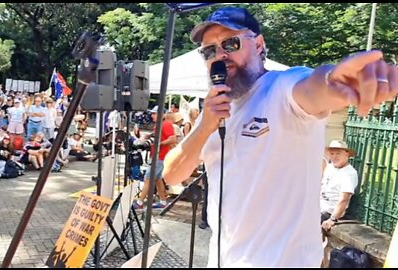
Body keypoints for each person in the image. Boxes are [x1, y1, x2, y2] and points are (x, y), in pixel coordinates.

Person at [162, 6, 398, 268]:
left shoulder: (282, 87)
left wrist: (339, 81)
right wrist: (205, 125)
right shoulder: (213, 110)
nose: (221, 55)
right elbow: (172, 175)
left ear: (260, 45)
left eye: (231, 42)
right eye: (210, 50)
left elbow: (314, 88)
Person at [134, 105, 176, 209]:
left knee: (148, 178)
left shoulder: (166, 125)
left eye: (154, 113)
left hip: (160, 156)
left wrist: (158, 143)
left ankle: (139, 202)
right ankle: (163, 201)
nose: (152, 115)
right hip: (158, 156)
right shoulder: (160, 125)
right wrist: (151, 136)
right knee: (157, 179)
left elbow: (173, 139)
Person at [320, 140, 358, 231]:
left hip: (329, 212)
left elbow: (344, 199)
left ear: (346, 154)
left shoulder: (349, 174)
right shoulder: (330, 167)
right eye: (332, 154)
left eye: (338, 154)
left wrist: (332, 219)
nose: (334, 157)